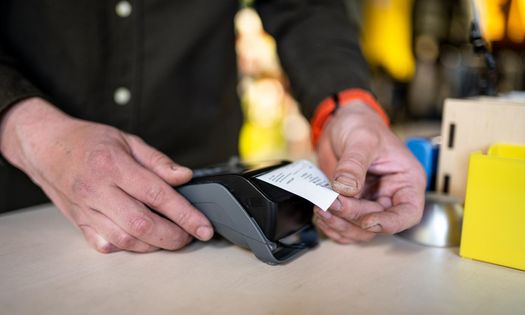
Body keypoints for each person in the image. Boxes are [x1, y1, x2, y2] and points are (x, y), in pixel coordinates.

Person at [0, 0, 425, 253]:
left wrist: (346, 106)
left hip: (215, 212)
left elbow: (306, 6)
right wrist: (25, 126)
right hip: (23, 216)